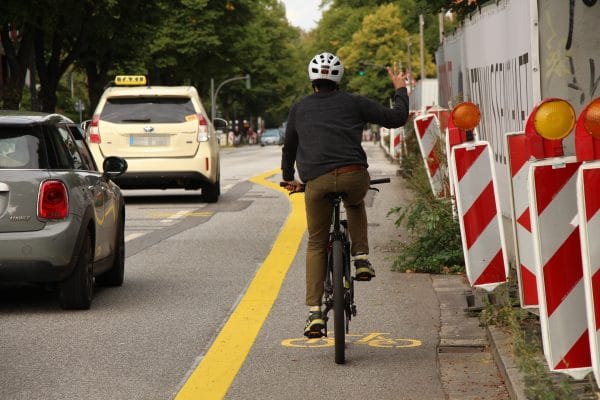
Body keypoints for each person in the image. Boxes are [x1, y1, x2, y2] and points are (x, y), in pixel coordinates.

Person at [281, 52, 409, 338]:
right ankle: (361, 257)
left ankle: (315, 313)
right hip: (353, 175)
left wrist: (290, 177)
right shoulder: (354, 102)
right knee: (355, 201)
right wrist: (400, 88)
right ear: (338, 79)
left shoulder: (300, 107)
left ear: (312, 79)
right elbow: (396, 118)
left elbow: (289, 147)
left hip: (317, 182)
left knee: (316, 242)